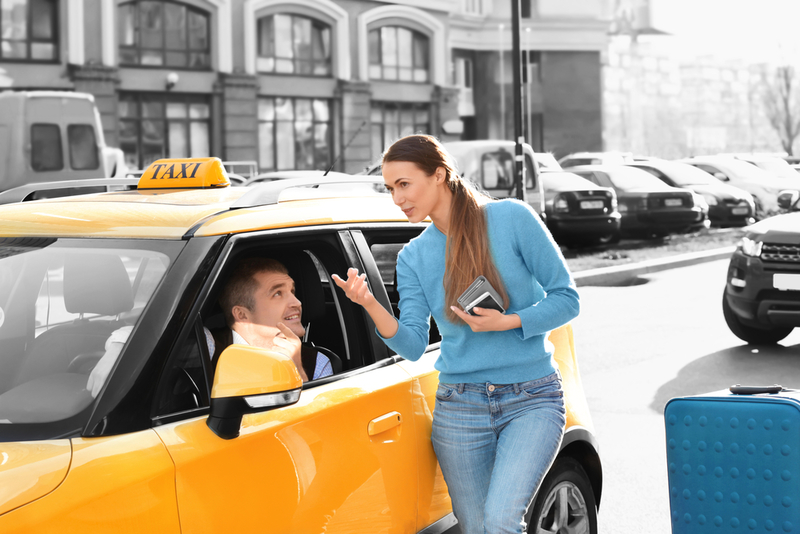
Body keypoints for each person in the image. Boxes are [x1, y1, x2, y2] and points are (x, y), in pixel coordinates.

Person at [332, 134, 580, 533]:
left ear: (440, 175)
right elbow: (412, 345)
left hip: (532, 397)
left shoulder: (512, 219)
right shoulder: (412, 256)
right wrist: (370, 304)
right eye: (390, 188)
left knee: (500, 522)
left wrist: (508, 321)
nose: (397, 198)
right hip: (459, 407)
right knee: (478, 528)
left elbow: (567, 299)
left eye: (404, 184)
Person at [214, 257, 334, 382]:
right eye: (277, 293)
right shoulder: (207, 350)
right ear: (242, 315)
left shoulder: (316, 364)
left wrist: (297, 372)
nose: (297, 302)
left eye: (292, 291)